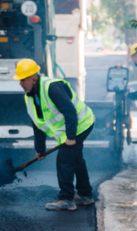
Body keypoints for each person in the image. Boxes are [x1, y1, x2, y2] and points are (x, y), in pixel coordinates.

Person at [13, 59, 96, 211]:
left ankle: (66, 199)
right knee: (76, 159)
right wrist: (40, 149)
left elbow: (70, 112)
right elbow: (38, 124)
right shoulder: (29, 97)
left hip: (82, 124)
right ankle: (85, 195)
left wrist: (71, 137)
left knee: (64, 159)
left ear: (34, 79)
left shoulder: (52, 87)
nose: (21, 84)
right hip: (70, 129)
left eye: (23, 80)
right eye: (20, 80)